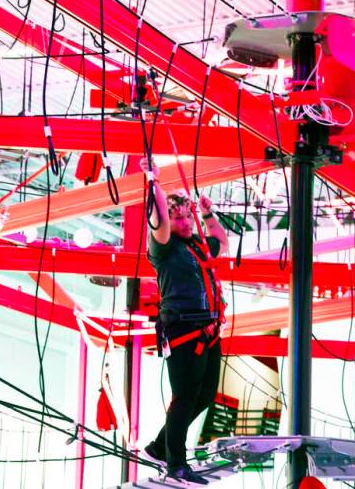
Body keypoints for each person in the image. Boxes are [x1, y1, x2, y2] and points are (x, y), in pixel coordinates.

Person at [138, 159, 229, 484]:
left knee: (204, 396)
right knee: (185, 397)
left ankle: (160, 447)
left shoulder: (195, 245)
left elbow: (222, 242)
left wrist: (207, 214)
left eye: (188, 217)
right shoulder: (164, 249)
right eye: (180, 219)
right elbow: (158, 219)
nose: (186, 222)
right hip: (184, 329)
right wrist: (154, 183)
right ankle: (175, 461)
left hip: (208, 329)